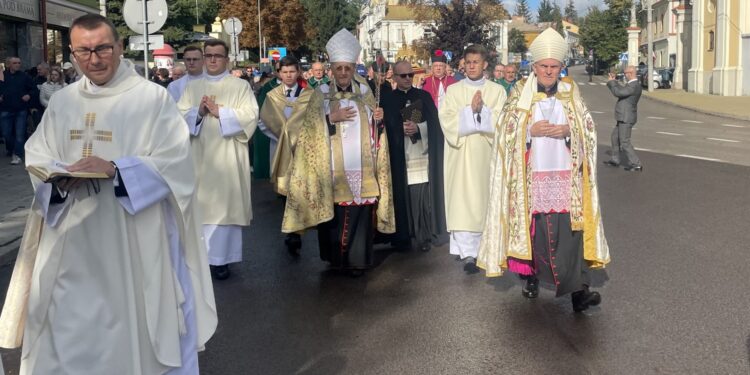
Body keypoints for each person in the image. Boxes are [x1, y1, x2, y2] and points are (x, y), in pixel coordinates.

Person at [0, 14, 217, 373]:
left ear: (118, 47)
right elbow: (37, 153)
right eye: (83, 51)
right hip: (72, 233)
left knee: (129, 319)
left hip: (130, 234)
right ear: (72, 53)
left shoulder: (151, 99)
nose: (94, 59)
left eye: (102, 48)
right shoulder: (63, 101)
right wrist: (56, 175)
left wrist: (117, 169)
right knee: (64, 320)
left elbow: (175, 162)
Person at [477, 28, 609, 313]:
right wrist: (528, 130)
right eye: (544, 66)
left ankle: (579, 293)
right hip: (531, 180)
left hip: (566, 179)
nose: (549, 72)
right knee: (534, 235)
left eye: (554, 67)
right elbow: (504, 132)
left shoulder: (570, 91)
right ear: (534, 67)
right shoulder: (520, 94)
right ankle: (531, 279)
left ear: (561, 67)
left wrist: (568, 130)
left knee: (573, 236)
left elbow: (588, 129)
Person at [281, 28, 394, 277]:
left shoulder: (366, 92)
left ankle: (358, 261)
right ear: (331, 69)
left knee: (360, 214)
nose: (343, 73)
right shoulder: (320, 94)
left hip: (362, 165)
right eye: (339, 68)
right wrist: (330, 118)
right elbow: (306, 129)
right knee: (336, 215)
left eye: (348, 68)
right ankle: (335, 259)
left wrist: (378, 120)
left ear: (354, 68)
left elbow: (377, 135)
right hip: (331, 166)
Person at [177, 39, 259, 280]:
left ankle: (221, 260)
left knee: (225, 206)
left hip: (228, 159)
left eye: (218, 56)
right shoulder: (192, 88)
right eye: (209, 55)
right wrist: (198, 113)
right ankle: (200, 259)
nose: (213, 60)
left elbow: (250, 116)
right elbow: (176, 118)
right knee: (200, 206)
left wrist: (220, 112)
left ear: (227, 59)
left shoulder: (240, 86)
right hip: (198, 158)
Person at [439, 45, 506, 273]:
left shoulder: (496, 91)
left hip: (485, 155)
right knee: (461, 201)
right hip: (459, 155)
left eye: (476, 62)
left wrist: (481, 112)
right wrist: (470, 112)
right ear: (463, 64)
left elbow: (502, 121)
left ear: (485, 64)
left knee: (483, 199)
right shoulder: (453, 90)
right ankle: (468, 253)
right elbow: (446, 119)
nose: (472, 66)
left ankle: (485, 248)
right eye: (468, 62)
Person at [382, 60, 447, 252]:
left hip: (419, 153)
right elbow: (382, 128)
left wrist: (418, 128)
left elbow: (435, 125)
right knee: (402, 197)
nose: (408, 79)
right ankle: (402, 236)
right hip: (398, 157)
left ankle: (423, 236)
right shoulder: (387, 99)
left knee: (420, 197)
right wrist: (397, 128)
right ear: (394, 77)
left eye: (410, 75)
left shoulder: (423, 96)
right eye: (403, 76)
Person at [258, 56, 313, 255]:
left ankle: (299, 228)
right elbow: (263, 121)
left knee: (300, 190)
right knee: (285, 191)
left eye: (292, 71)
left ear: (298, 72)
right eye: (285, 72)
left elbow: (316, 120)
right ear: (279, 74)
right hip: (281, 149)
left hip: (303, 149)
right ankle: (291, 230)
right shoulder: (272, 96)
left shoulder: (309, 95)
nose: (288, 75)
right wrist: (282, 137)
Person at [604, 65, 642, 172]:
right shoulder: (631, 85)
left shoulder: (633, 85)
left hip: (626, 117)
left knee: (624, 141)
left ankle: (636, 164)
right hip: (623, 116)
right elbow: (621, 90)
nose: (624, 75)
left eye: (625, 73)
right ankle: (615, 160)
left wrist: (611, 82)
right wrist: (614, 81)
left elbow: (619, 92)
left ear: (630, 73)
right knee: (615, 137)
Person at [0, 57, 34, 165]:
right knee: (6, 133)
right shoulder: (3, 76)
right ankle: (11, 149)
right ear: (9, 64)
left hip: (21, 109)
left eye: (19, 63)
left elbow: (34, 89)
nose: (17, 65)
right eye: (15, 63)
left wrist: (29, 95)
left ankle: (17, 155)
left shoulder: (24, 76)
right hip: (6, 109)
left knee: (20, 134)